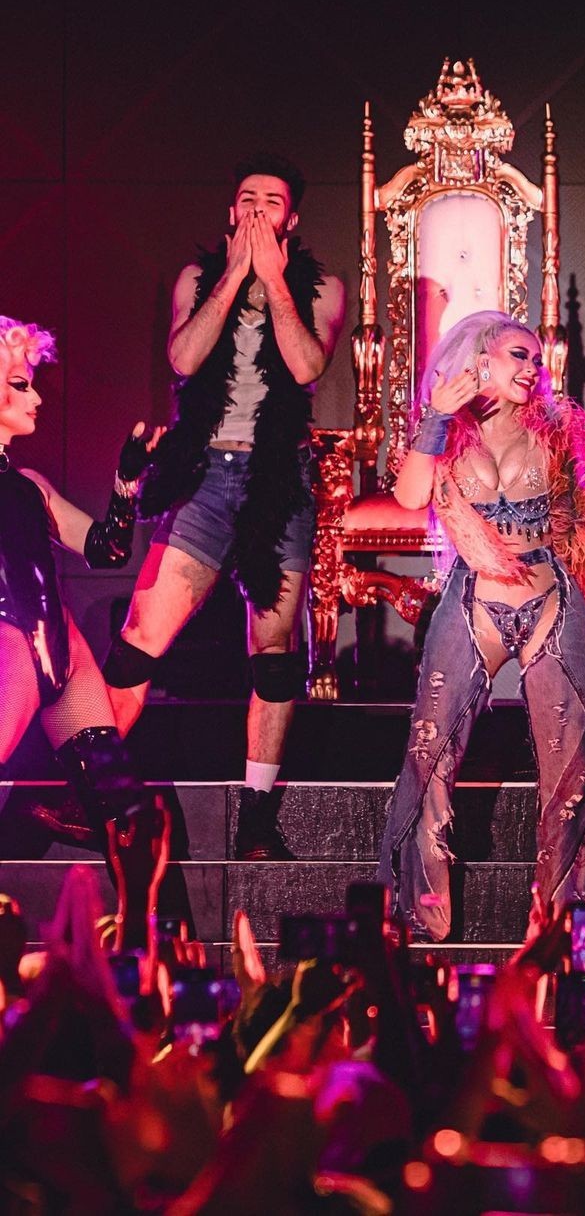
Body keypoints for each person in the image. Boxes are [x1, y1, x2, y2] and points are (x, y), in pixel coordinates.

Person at [102, 154, 346, 861]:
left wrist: (274, 282)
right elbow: (183, 359)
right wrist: (235, 277)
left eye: (272, 201)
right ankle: (96, 788)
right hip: (206, 474)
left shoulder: (323, 288)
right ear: (230, 213)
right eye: (247, 199)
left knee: (274, 652)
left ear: (291, 220)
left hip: (278, 477)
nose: (257, 210)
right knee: (141, 636)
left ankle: (258, 817)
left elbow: (307, 365)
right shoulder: (196, 279)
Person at [376, 311, 585, 941]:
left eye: (537, 360)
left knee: (570, 770)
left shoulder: (556, 429)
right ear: (480, 359)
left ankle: (566, 926)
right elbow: (410, 497)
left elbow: (582, 526)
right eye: (520, 355)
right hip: (475, 597)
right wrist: (435, 419)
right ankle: (422, 910)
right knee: (430, 751)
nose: (532, 368)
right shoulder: (446, 429)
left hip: (551, 596)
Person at [0, 316, 164, 948]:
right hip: (11, 648)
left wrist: (127, 480)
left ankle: (136, 948)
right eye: (20, 384)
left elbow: (105, 548)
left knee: (130, 808)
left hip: (60, 651)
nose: (37, 397)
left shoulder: (29, 486)